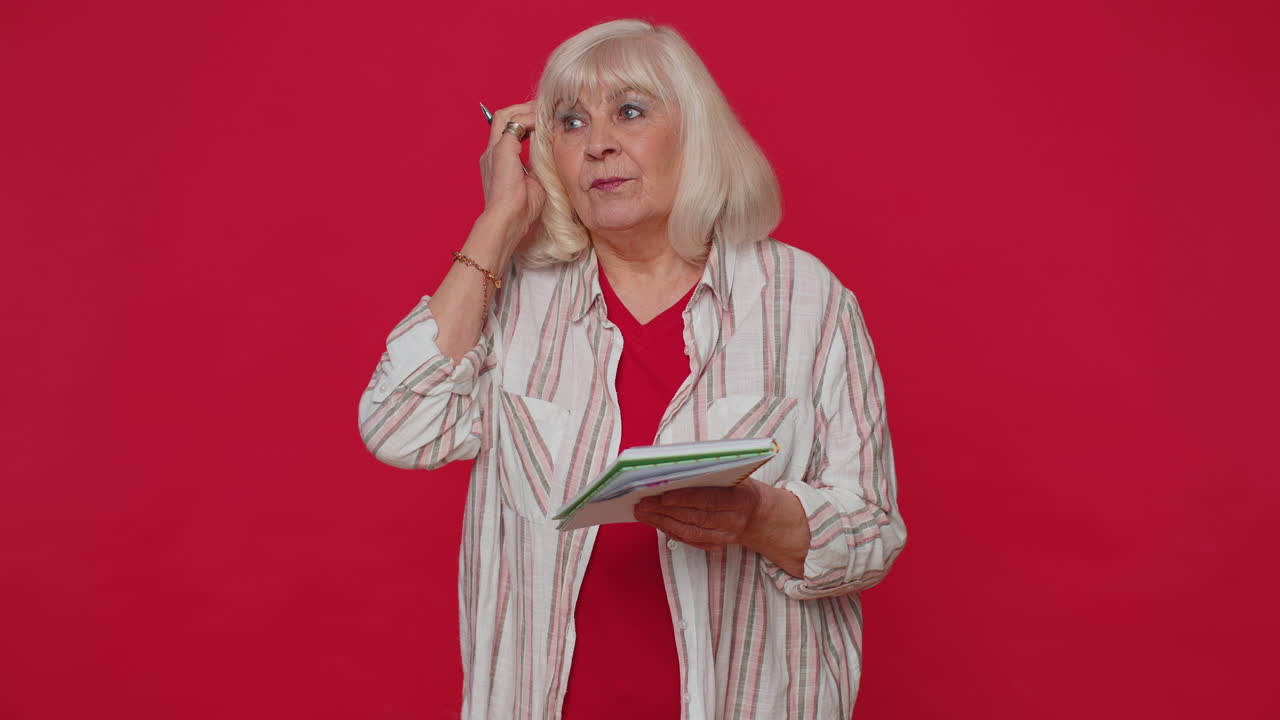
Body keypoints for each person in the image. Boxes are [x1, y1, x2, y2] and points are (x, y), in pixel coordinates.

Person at [358, 18, 906, 720]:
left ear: (695, 133)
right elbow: (399, 427)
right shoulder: (514, 299)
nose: (598, 143)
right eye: (569, 122)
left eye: (631, 111)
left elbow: (873, 532)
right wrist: (497, 224)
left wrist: (761, 517)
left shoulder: (806, 298)